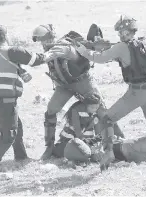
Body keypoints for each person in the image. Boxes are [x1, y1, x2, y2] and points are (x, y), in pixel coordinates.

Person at [50, 15, 146, 170]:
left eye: (120, 31)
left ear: (124, 31)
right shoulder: (143, 43)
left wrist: (83, 50)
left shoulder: (121, 47)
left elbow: (99, 58)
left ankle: (109, 153)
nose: (119, 34)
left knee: (106, 119)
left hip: (136, 92)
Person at [32, 24, 124, 160]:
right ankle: (49, 147)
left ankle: (118, 142)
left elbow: (50, 55)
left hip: (83, 82)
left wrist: (32, 58)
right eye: (40, 41)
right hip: (64, 86)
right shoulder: (50, 48)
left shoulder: (62, 46)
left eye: (44, 39)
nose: (43, 43)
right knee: (51, 110)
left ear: (51, 37)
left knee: (102, 111)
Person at [0, 25, 54, 171]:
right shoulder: (12, 50)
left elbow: (2, 69)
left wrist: (20, 72)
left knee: (17, 127)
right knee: (8, 135)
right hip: (5, 99)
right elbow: (36, 59)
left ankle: (21, 157)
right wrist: (54, 52)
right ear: (6, 36)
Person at [52, 93, 102, 158]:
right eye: (92, 107)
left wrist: (96, 142)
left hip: (85, 140)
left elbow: (96, 129)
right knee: (65, 152)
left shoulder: (95, 113)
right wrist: (85, 142)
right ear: (86, 105)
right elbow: (77, 129)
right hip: (70, 138)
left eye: (96, 107)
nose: (94, 109)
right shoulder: (76, 110)